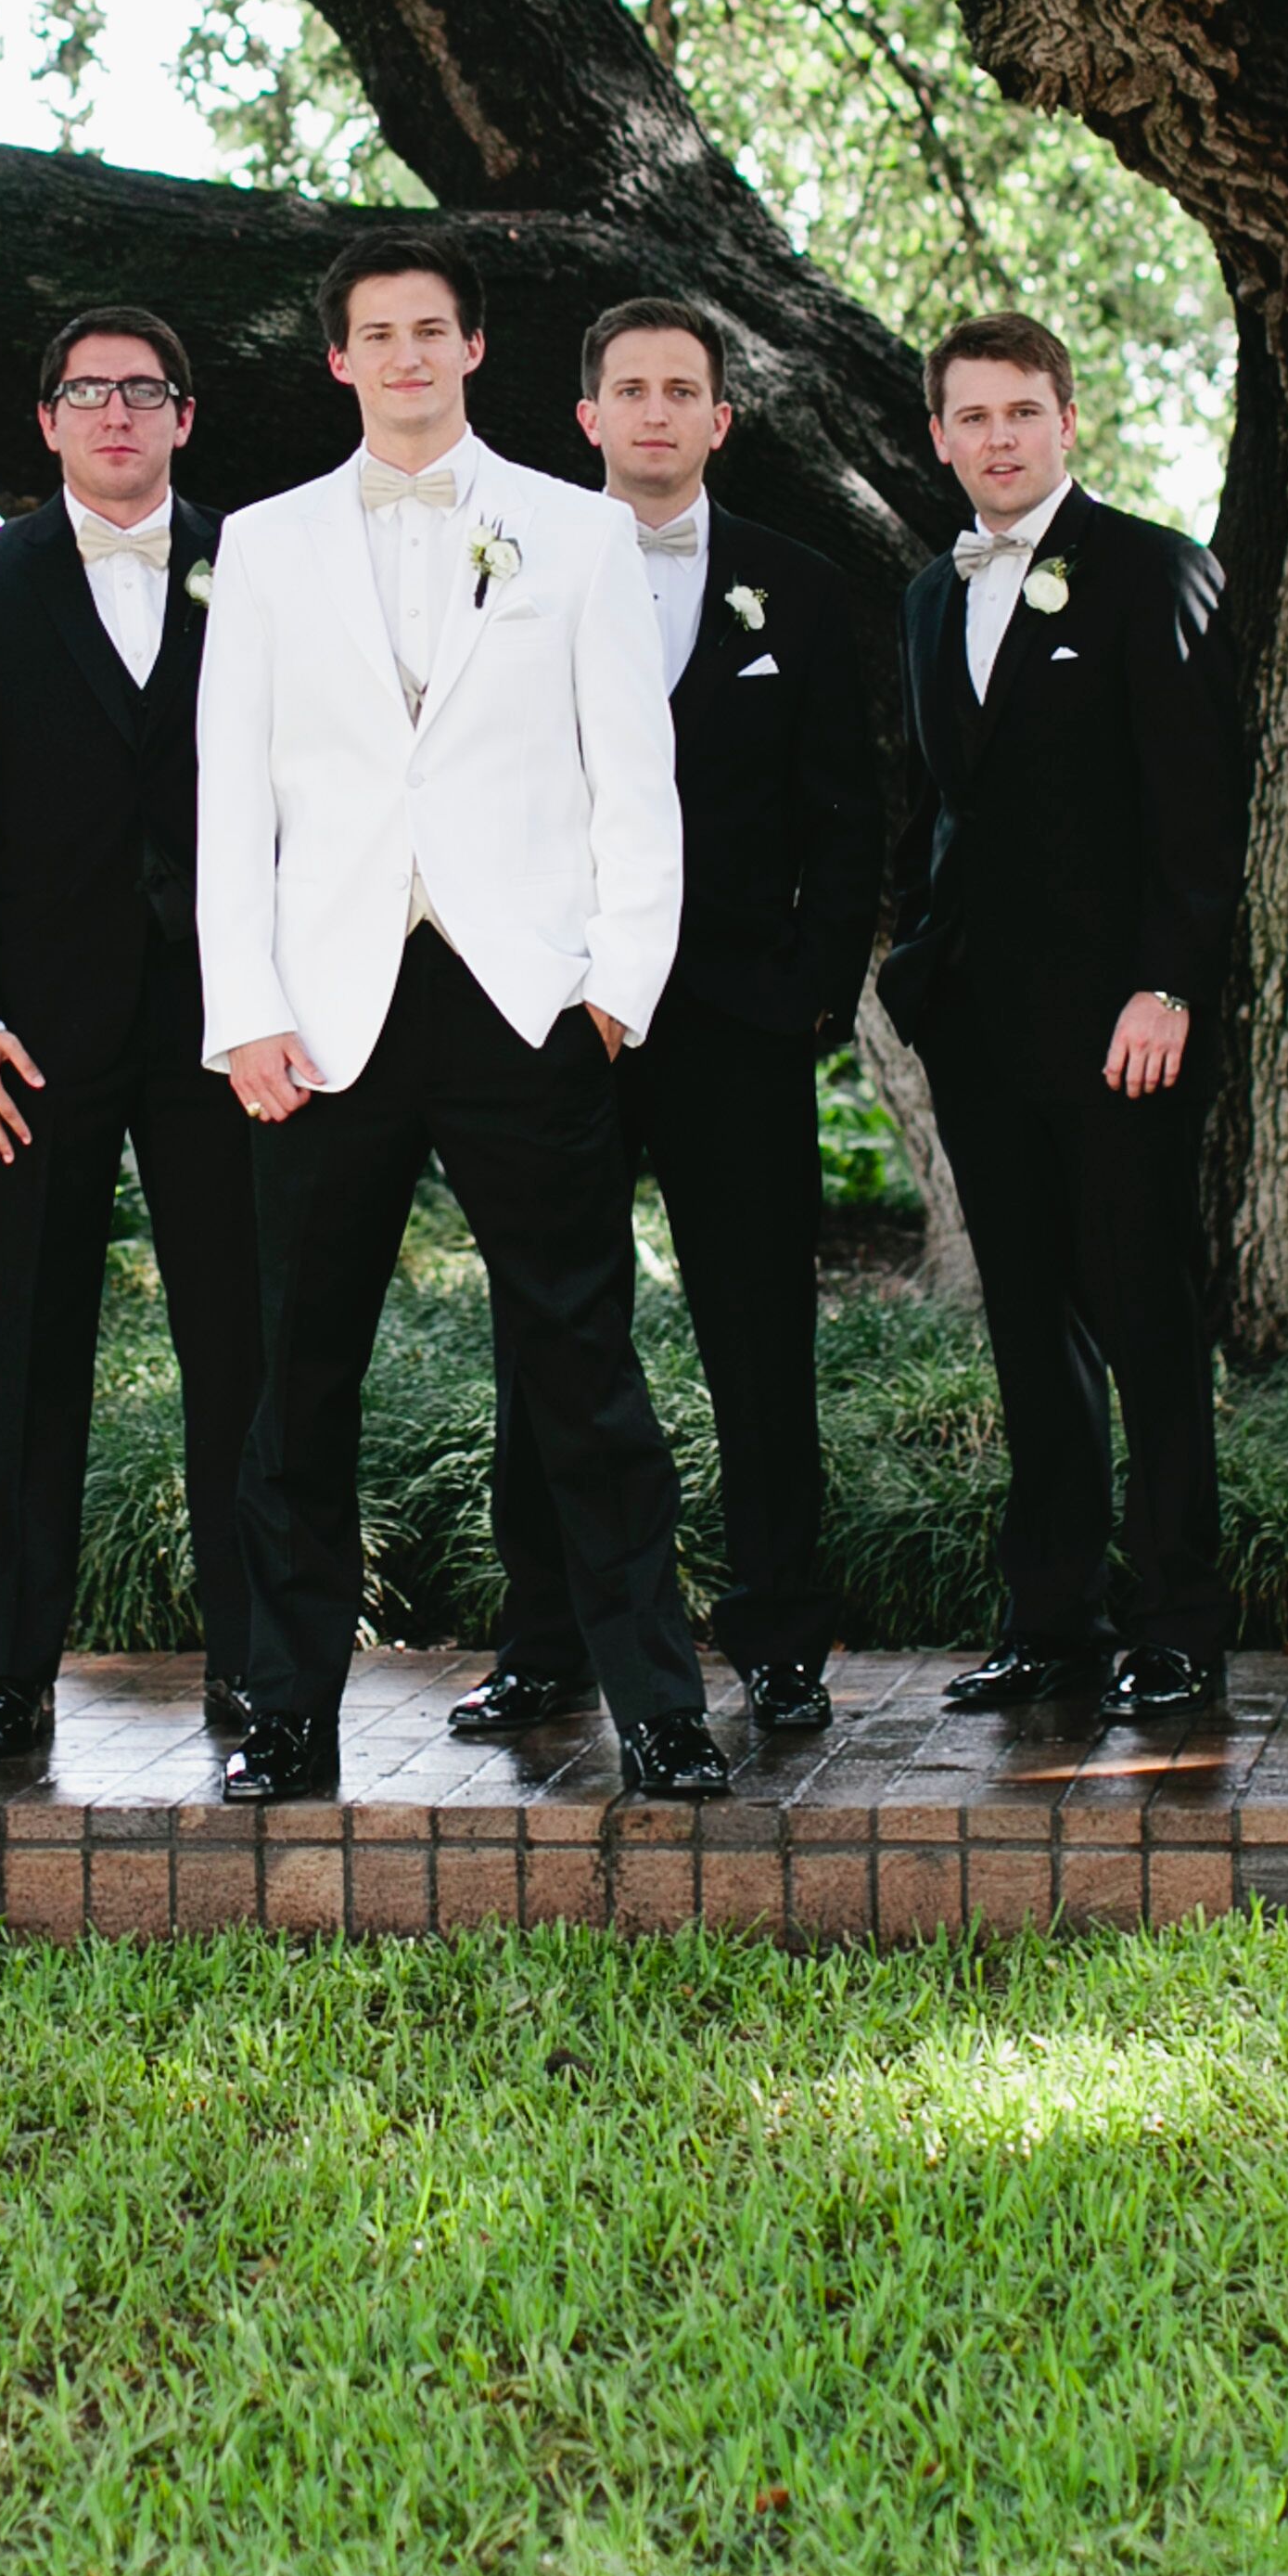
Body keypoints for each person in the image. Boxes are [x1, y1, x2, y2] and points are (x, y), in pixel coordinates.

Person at [195, 228, 727, 1803]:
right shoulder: (271, 543)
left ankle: (663, 1709)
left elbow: (640, 780)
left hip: (525, 1009)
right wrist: (246, 1010)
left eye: (434, 329)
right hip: (327, 1019)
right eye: (379, 333)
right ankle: (287, 1714)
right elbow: (233, 795)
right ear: (340, 360)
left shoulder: (574, 534)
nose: (408, 356)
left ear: (475, 350)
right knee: (299, 1385)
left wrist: (613, 990)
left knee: (586, 1372)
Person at [457, 294, 879, 1747]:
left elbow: (852, 811)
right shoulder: (501, 574)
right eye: (626, 385)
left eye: (680, 388)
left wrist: (805, 991)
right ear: (585, 416)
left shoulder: (801, 587)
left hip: (736, 1027)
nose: (652, 409)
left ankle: (781, 1639)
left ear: (720, 418)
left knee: (760, 1339)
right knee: (552, 1339)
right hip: (560, 1019)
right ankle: (546, 1638)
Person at [0, 301, 260, 1769]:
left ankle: (264, 1669)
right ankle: (8, 1675)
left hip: (229, 1024)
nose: (116, 413)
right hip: (33, 1039)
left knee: (242, 1349)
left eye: (143, 390)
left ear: (185, 413)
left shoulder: (263, 565)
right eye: (85, 391)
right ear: (47, 419)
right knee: (24, 1353)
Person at [879, 314, 1235, 1727]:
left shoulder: (1153, 569)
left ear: (1067, 419)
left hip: (1123, 1026)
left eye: (1024, 411)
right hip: (978, 1023)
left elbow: (1201, 806)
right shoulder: (925, 595)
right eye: (973, 417)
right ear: (940, 436)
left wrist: (1170, 983)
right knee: (1027, 1323)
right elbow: (939, 799)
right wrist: (919, 964)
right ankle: (1052, 1622)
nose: (1000, 438)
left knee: (1146, 1318)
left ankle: (1178, 1625)